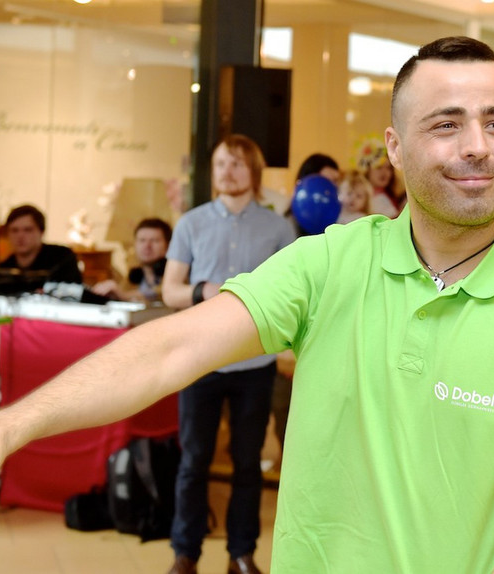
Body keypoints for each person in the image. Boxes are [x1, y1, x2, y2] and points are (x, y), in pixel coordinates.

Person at [0, 36, 494, 573]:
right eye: (447, 125)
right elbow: (170, 349)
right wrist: (3, 430)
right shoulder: (329, 262)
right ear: (396, 149)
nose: (478, 147)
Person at [160, 134, 295, 574]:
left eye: (236, 164)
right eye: (220, 164)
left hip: (255, 363)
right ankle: (185, 554)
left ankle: (241, 554)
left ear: (252, 172)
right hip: (200, 360)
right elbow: (170, 290)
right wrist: (204, 290)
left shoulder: (278, 228)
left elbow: (290, 294)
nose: (227, 172)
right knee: (193, 461)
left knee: (247, 463)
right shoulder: (191, 223)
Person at [0, 204, 83, 284]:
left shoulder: (63, 259)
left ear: (41, 232)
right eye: (14, 230)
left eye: (28, 230)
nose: (20, 236)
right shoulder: (2, 271)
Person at [91, 217, 172, 302]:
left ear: (168, 246)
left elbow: (164, 293)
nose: (147, 246)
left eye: (155, 241)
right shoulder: (133, 277)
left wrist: (124, 295)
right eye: (142, 240)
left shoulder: (175, 273)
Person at [356, 137, 401, 217]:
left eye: (388, 168)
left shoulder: (388, 198)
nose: (384, 172)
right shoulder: (355, 196)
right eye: (379, 167)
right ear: (367, 170)